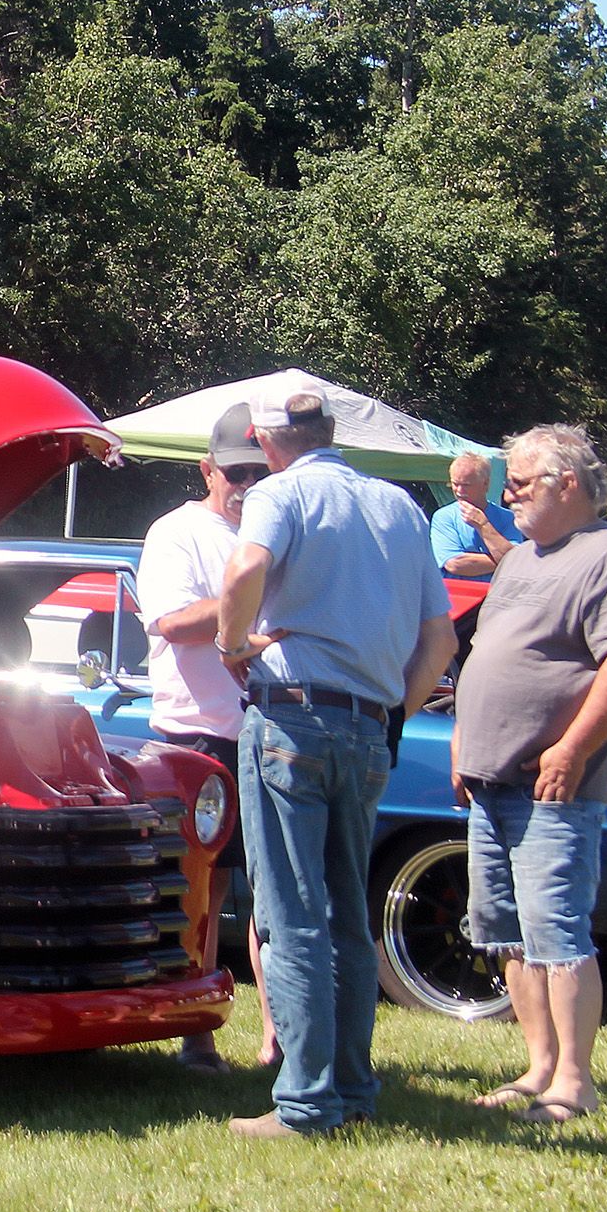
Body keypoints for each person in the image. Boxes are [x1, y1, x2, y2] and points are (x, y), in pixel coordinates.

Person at [215, 387, 457, 1137]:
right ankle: (353, 1090)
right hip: (369, 726)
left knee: (291, 915)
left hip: (291, 716)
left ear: (263, 439)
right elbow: (441, 641)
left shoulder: (279, 495)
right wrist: (395, 712)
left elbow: (240, 575)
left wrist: (232, 649)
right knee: (350, 913)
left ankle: (306, 1101)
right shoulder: (400, 508)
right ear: (333, 431)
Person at [451, 425, 607, 1125]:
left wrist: (570, 748)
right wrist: (462, 746)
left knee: (557, 930)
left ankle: (574, 1079)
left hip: (553, 785)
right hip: (490, 780)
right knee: (507, 933)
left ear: (568, 482)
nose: (505, 497)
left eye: (519, 483)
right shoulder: (518, 561)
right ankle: (538, 1063)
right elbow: (481, 656)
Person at [136, 403, 276, 1072]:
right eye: (236, 471)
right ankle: (196, 1031)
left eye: (260, 470)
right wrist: (245, 600)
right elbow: (170, 623)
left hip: (270, 728)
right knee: (204, 891)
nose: (247, 484)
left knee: (274, 890)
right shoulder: (177, 532)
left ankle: (283, 1037)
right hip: (198, 737)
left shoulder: (276, 530)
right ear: (208, 468)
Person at [430, 452, 522, 579]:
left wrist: (483, 525)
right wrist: (502, 560)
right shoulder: (444, 517)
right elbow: (454, 564)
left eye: (466, 485)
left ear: (486, 484)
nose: (459, 491)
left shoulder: (508, 518)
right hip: (459, 596)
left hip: (496, 595)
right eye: (455, 484)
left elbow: (516, 563)